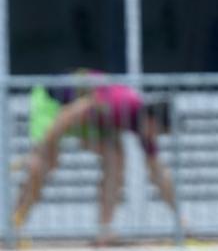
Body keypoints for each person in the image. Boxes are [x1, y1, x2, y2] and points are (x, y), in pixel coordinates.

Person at [13, 69, 181, 246]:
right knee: (42, 166)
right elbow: (68, 115)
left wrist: (180, 218)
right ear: (152, 121)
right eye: (159, 133)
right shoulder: (121, 104)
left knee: (115, 159)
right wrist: (43, 149)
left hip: (84, 118)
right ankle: (15, 223)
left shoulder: (141, 125)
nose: (155, 137)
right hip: (53, 102)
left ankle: (104, 230)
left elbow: (159, 174)